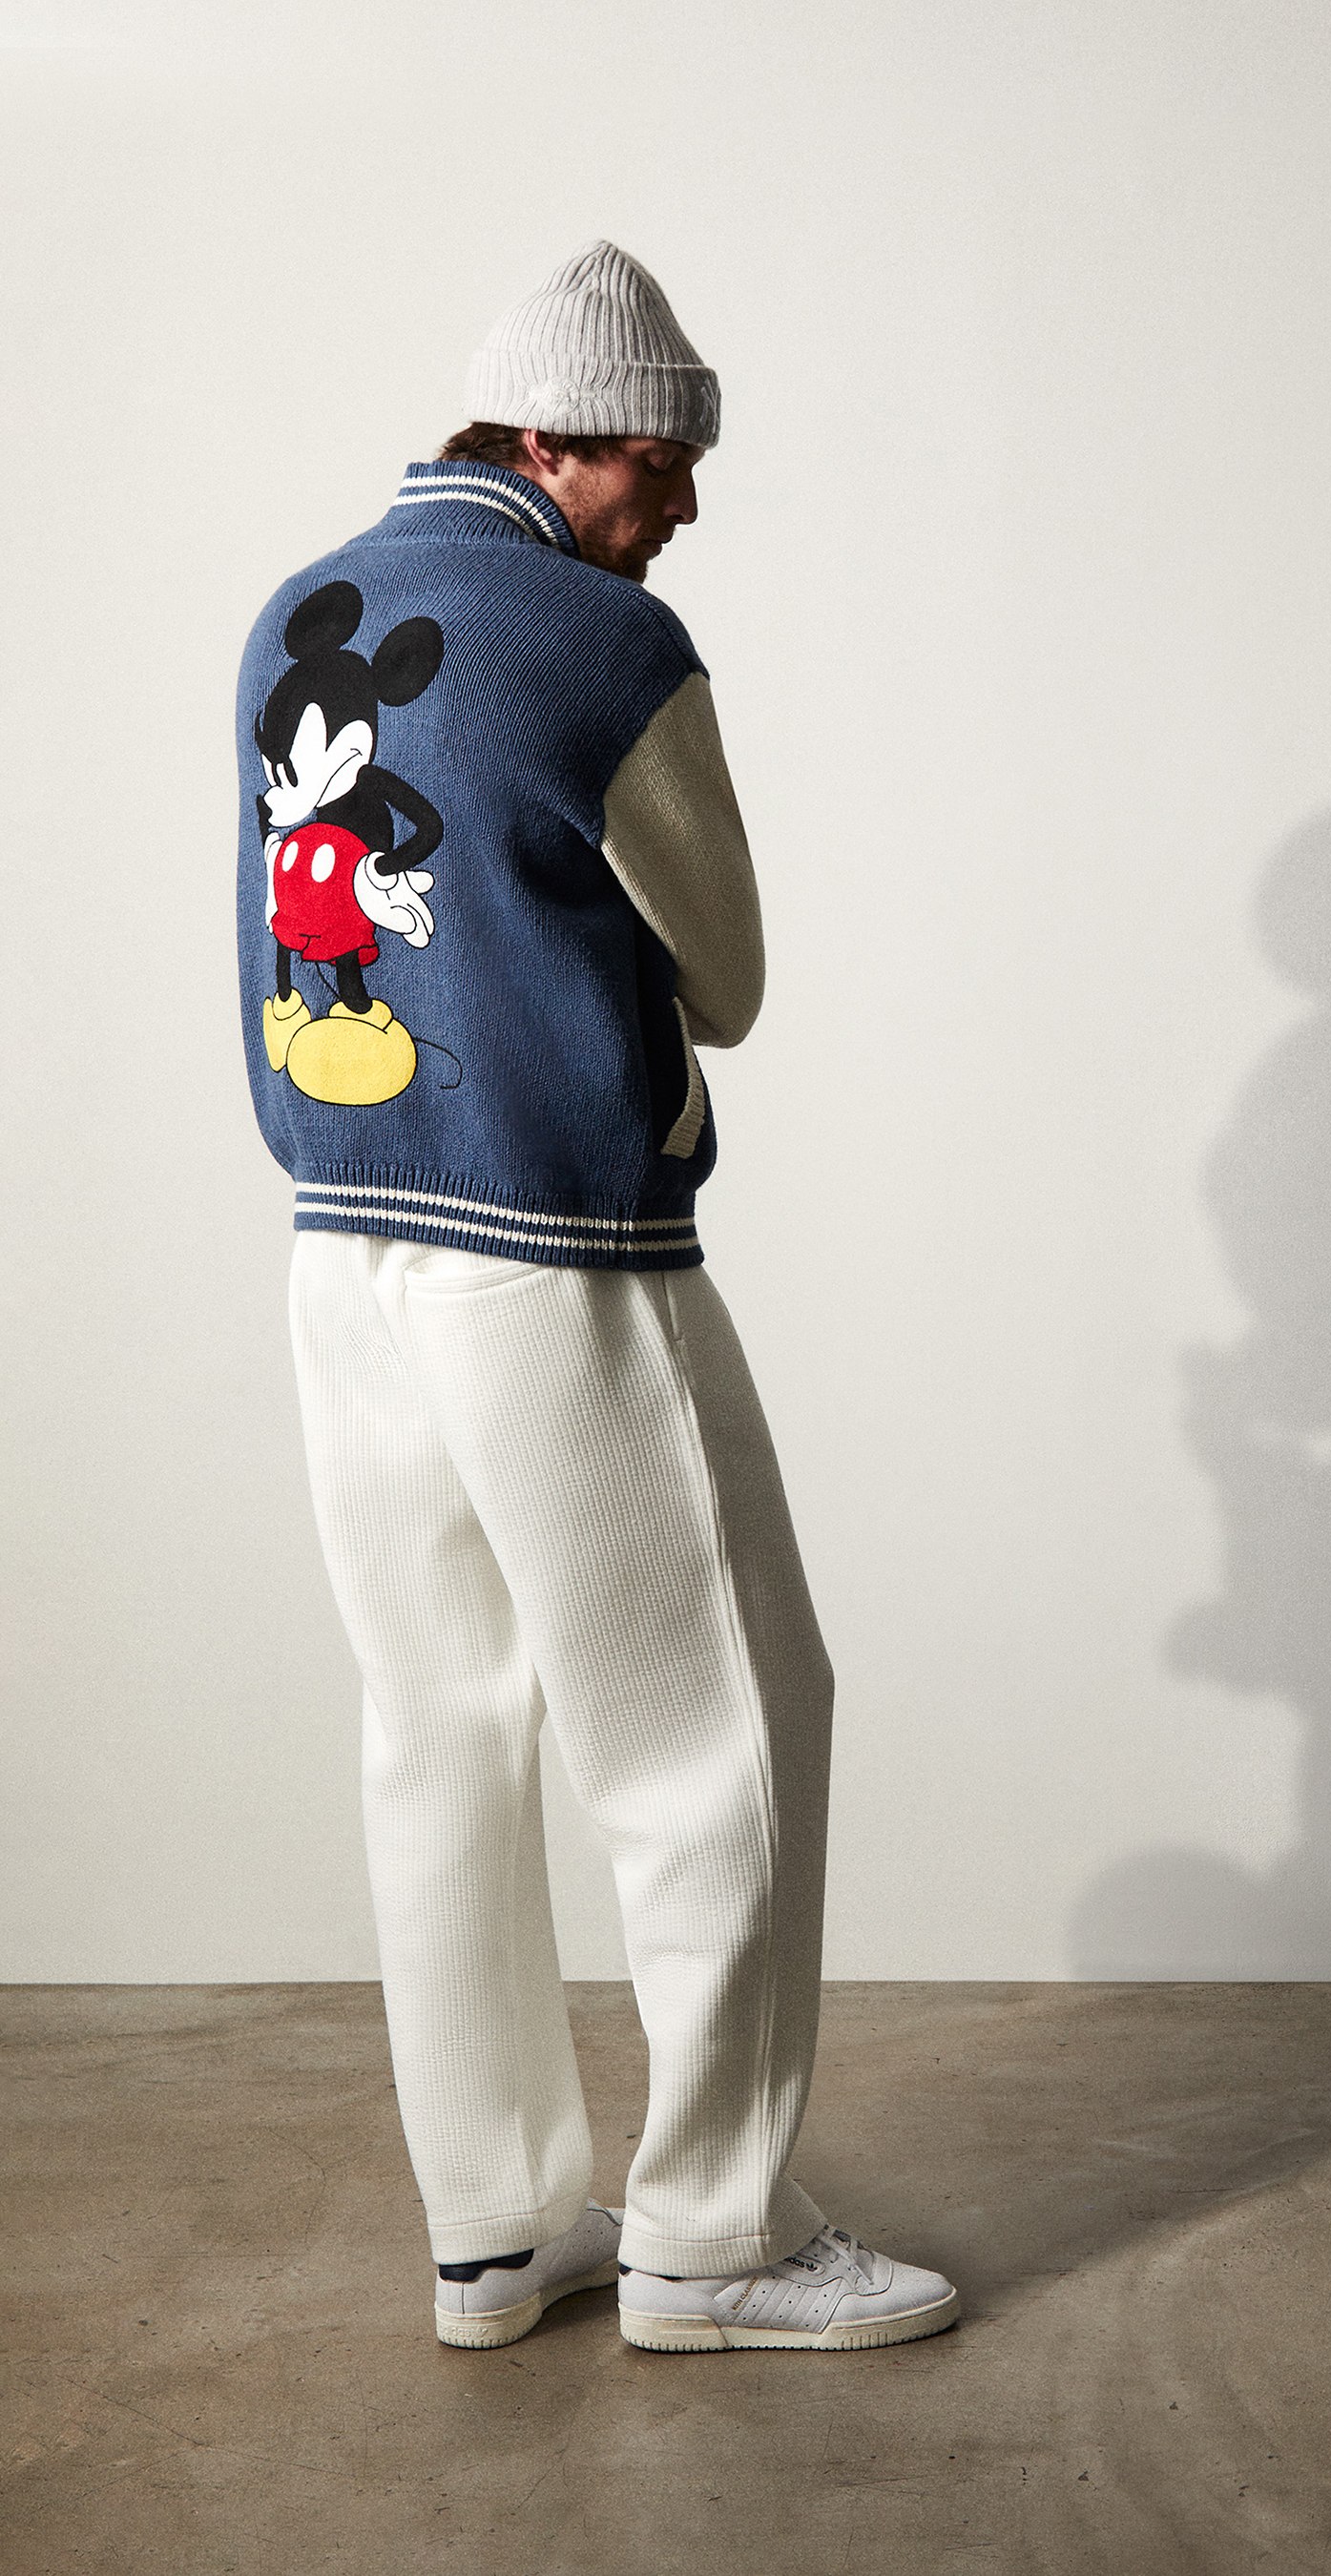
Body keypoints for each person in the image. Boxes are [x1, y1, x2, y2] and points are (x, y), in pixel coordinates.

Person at [236, 239, 958, 2357]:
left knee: (438, 1735)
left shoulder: (291, 611)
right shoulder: (601, 638)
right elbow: (728, 975)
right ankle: (713, 2243)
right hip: (554, 1247)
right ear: (554, 437)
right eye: (663, 459)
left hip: (343, 1242)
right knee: (723, 1727)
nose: (687, 503)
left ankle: (493, 2229)